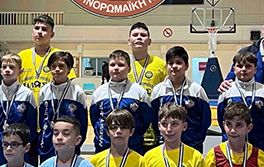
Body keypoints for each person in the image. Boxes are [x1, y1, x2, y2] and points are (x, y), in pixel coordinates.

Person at [90, 50, 154, 154]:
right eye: (112, 65)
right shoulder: (99, 92)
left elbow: (146, 119)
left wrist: (135, 136)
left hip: (133, 147)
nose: (116, 68)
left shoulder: (138, 91)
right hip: (104, 147)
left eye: (121, 65)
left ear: (129, 69)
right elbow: (95, 119)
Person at [151, 46, 211, 153]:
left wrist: (197, 139)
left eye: (178, 63)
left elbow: (205, 119)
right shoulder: (158, 91)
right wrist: (161, 136)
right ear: (166, 66)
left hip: (192, 144)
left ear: (186, 66)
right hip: (165, 144)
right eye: (170, 63)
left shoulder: (196, 90)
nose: (174, 66)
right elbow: (153, 118)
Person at [0, 53, 38, 166]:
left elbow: (32, 124)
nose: (7, 70)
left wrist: (25, 144)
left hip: (19, 145)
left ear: (20, 71)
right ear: (0, 70)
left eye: (12, 67)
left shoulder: (27, 94)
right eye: (4, 67)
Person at [217, 50, 264, 150]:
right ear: (234, 69)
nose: (243, 69)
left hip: (257, 144)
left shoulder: (263, 91)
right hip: (231, 144)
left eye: (248, 66)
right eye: (239, 66)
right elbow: (220, 118)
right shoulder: (226, 90)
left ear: (255, 69)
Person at [38, 51, 88, 163]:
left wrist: (76, 145)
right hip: (47, 144)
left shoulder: (77, 92)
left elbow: (82, 124)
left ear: (69, 69)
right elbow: (41, 119)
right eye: (53, 66)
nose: (57, 69)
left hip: (69, 145)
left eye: (61, 66)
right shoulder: (44, 91)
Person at [127, 22, 168, 153]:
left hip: (152, 124)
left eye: (143, 35)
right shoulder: (122, 64)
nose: (139, 37)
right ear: (129, 40)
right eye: (135, 35)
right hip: (127, 125)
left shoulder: (160, 64)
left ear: (149, 41)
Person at [18, 15, 74, 101]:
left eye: (44, 29)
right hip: (25, 106)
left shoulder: (59, 56)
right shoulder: (21, 56)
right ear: (32, 32)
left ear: (52, 34)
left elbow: (70, 84)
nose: (39, 32)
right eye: (36, 28)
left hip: (52, 106)